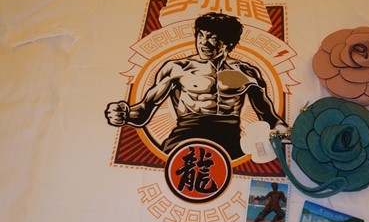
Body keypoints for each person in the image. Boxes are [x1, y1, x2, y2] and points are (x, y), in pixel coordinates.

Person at [105, 12, 288, 159]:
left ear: (229, 42)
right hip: (184, 138)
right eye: (200, 35)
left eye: (212, 37)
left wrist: (282, 128)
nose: (203, 43)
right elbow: (144, 111)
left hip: (229, 142)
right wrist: (124, 114)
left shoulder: (248, 73)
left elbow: (269, 117)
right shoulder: (177, 68)